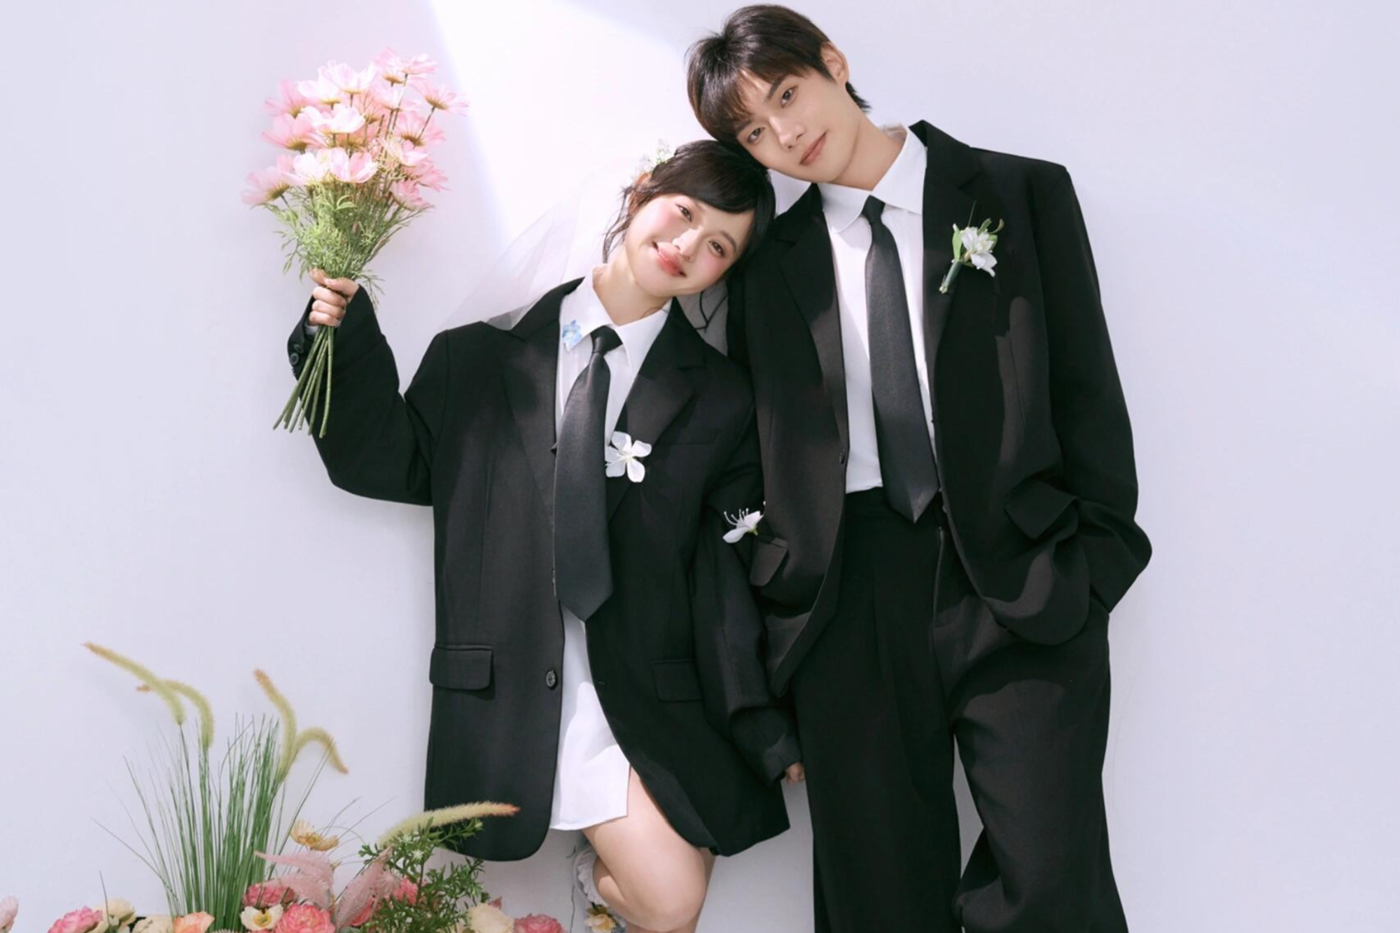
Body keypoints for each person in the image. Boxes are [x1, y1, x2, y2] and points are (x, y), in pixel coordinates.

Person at [686, 6, 1152, 932]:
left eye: (788, 95)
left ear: (833, 62)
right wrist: (780, 603)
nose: (786, 135)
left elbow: (1086, 387)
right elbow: (746, 447)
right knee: (880, 898)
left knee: (1051, 881)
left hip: (1021, 576)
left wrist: (1093, 564)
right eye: (755, 133)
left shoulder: (1019, 193)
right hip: (846, 596)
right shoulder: (767, 267)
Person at [284, 140, 803, 933]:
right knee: (674, 902)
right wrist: (339, 337)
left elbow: (724, 584)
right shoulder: (477, 356)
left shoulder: (721, 400)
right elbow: (389, 461)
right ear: (642, 193)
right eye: (684, 213)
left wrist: (764, 726)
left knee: (673, 901)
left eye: (718, 247)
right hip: (511, 689)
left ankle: (595, 886)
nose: (687, 246)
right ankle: (597, 888)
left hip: (642, 700)